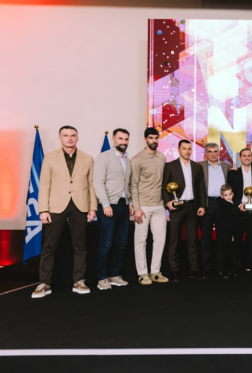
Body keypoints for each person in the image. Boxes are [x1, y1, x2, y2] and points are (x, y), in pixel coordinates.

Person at [32, 126, 97, 299]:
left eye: (73, 135)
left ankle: (79, 281)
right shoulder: (50, 158)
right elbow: (44, 184)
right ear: (59, 138)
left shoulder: (88, 158)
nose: (69, 138)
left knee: (80, 245)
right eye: (66, 135)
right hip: (55, 206)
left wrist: (93, 207)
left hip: (80, 206)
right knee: (49, 245)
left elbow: (91, 184)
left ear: (77, 138)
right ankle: (44, 283)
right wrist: (43, 209)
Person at [93, 128, 133, 290]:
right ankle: (102, 278)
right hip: (109, 205)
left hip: (124, 205)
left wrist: (130, 203)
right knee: (106, 244)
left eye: (126, 139)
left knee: (121, 243)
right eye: (120, 139)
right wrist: (105, 204)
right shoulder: (104, 157)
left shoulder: (128, 160)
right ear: (113, 140)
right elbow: (98, 182)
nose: (123, 142)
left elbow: (128, 184)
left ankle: (115, 275)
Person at [162, 139, 207, 281]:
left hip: (192, 207)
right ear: (178, 150)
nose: (187, 151)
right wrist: (168, 202)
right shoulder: (170, 166)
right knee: (174, 239)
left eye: (189, 149)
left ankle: (194, 269)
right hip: (176, 207)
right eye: (184, 148)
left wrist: (202, 205)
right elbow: (164, 187)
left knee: (192, 240)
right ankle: (173, 270)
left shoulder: (196, 167)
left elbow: (201, 188)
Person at [130, 127, 169, 285]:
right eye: (151, 138)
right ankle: (142, 273)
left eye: (156, 138)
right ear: (145, 139)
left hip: (159, 206)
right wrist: (137, 208)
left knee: (160, 240)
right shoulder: (137, 160)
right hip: (143, 207)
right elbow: (133, 185)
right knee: (141, 241)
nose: (154, 141)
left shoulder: (162, 157)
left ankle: (155, 272)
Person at [227, 148, 252, 275]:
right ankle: (236, 267)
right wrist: (239, 205)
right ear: (240, 158)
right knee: (237, 240)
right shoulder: (233, 173)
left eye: (249, 155)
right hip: (239, 212)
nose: (247, 158)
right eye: (244, 156)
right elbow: (231, 192)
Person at [198, 142, 232, 277]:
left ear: (219, 152)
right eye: (210, 151)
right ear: (206, 154)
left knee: (222, 237)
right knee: (206, 238)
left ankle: (221, 267)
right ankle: (206, 267)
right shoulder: (200, 166)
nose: (213, 154)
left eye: (215, 151)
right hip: (207, 203)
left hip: (222, 204)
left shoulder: (227, 166)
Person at [215, 184, 241, 278]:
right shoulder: (222, 204)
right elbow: (235, 214)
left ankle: (227, 269)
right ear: (222, 196)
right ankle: (220, 270)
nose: (228, 197)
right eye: (226, 195)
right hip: (223, 232)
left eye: (230, 194)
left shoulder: (232, 203)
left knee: (228, 251)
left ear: (233, 194)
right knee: (222, 251)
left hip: (230, 231)